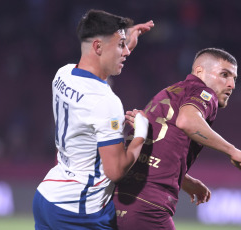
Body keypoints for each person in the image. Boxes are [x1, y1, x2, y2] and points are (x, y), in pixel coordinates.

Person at [32, 9, 154, 230]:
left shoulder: (63, 75)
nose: (126, 52)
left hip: (47, 197)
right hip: (79, 211)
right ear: (98, 47)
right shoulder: (106, 102)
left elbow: (98, 69)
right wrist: (140, 136)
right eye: (120, 46)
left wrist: (125, 40)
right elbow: (115, 170)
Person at [113, 48, 241, 229]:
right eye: (224, 75)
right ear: (199, 72)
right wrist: (232, 151)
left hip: (117, 201)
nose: (231, 84)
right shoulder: (205, 93)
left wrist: (184, 180)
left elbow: (155, 151)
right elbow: (187, 121)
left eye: (234, 78)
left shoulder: (169, 93)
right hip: (148, 207)